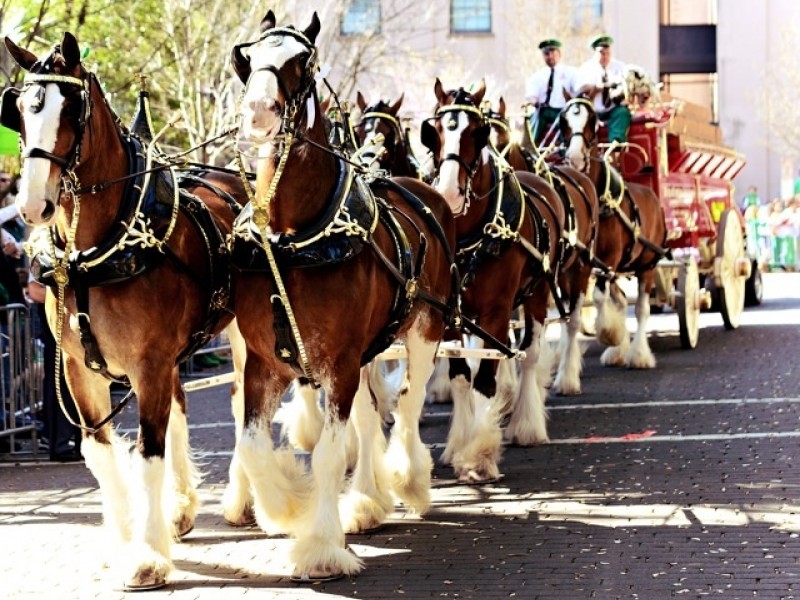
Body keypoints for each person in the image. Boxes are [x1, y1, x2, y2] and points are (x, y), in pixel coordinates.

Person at [28, 279, 83, 462]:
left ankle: (80, 440)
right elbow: (34, 291)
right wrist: (65, 299)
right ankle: (60, 444)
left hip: (76, 326)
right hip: (57, 328)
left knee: (79, 384)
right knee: (59, 384)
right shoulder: (43, 254)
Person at [574, 34, 631, 144]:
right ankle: (586, 145)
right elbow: (580, 88)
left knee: (623, 112)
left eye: (607, 53)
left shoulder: (620, 67)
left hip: (614, 108)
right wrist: (596, 87)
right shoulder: (586, 68)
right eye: (601, 53)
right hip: (594, 110)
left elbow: (629, 85)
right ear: (595, 53)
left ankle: (616, 144)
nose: (605, 56)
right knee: (580, 118)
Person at [524, 38, 576, 146]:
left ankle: (566, 147)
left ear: (559, 54)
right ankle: (531, 146)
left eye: (553, 52)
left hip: (565, 110)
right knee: (537, 115)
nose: (550, 56)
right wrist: (536, 103)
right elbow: (531, 96)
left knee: (566, 120)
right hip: (545, 111)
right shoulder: (537, 76)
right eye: (546, 53)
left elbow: (578, 90)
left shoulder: (571, 73)